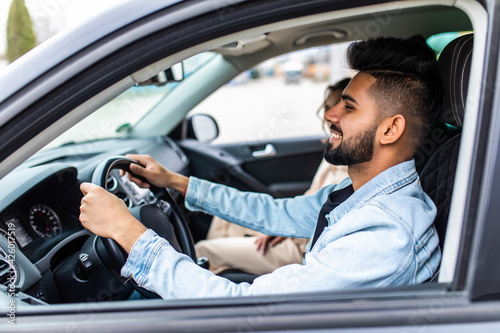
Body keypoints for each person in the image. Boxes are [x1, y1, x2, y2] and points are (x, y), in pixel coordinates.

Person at [79, 37, 443, 299]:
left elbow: (245, 310)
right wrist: (175, 181)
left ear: (390, 129)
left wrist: (127, 232)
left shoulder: (383, 234)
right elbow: (274, 211)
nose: (330, 115)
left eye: (348, 107)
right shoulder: (359, 196)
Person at [195, 79, 351, 276]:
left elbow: (322, 219)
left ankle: (221, 275)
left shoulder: (354, 163)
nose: (330, 116)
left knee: (203, 251)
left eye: (344, 107)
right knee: (223, 220)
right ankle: (226, 271)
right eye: (328, 107)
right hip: (297, 226)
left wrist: (283, 228)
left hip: (302, 244)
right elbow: (311, 200)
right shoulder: (335, 148)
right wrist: (279, 225)